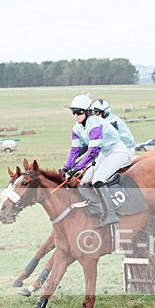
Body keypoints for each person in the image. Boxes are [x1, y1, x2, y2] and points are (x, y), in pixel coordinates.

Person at [63, 94, 133, 226]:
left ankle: (110, 214)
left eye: (79, 112)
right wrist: (66, 167)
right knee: (84, 180)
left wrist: (76, 168)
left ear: (88, 112)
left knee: (97, 179)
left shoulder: (96, 124)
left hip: (118, 152)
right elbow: (74, 150)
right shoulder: (76, 128)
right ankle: (96, 208)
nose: (76, 115)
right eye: (74, 112)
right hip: (104, 153)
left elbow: (93, 151)